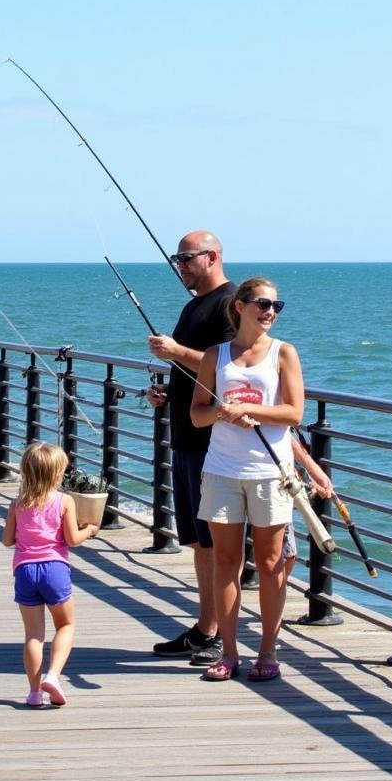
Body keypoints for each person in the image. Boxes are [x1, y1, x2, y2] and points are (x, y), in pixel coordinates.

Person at [190, 276, 330, 683]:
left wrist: (252, 413)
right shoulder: (216, 356)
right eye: (262, 304)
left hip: (270, 473)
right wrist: (221, 412)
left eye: (276, 306)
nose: (270, 311)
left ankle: (268, 650)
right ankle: (229, 652)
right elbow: (196, 414)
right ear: (240, 306)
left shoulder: (283, 353)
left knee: (270, 564)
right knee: (225, 562)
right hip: (222, 470)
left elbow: (294, 413)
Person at [145, 231, 237, 667]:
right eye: (176, 258)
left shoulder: (230, 303)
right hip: (184, 434)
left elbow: (232, 366)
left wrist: (176, 351)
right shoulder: (192, 305)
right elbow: (195, 368)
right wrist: (168, 391)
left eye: (184, 258)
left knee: (218, 543)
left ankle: (220, 635)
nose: (178, 265)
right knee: (199, 542)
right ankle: (204, 627)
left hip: (213, 443)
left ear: (212, 256)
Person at [2, 442, 100, 707]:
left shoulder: (17, 503)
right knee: (66, 625)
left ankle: (34, 693)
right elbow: (72, 539)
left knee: (33, 634)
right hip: (55, 569)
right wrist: (90, 529)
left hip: (24, 570)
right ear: (57, 475)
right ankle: (54, 675)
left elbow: (7, 540)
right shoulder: (64, 501)